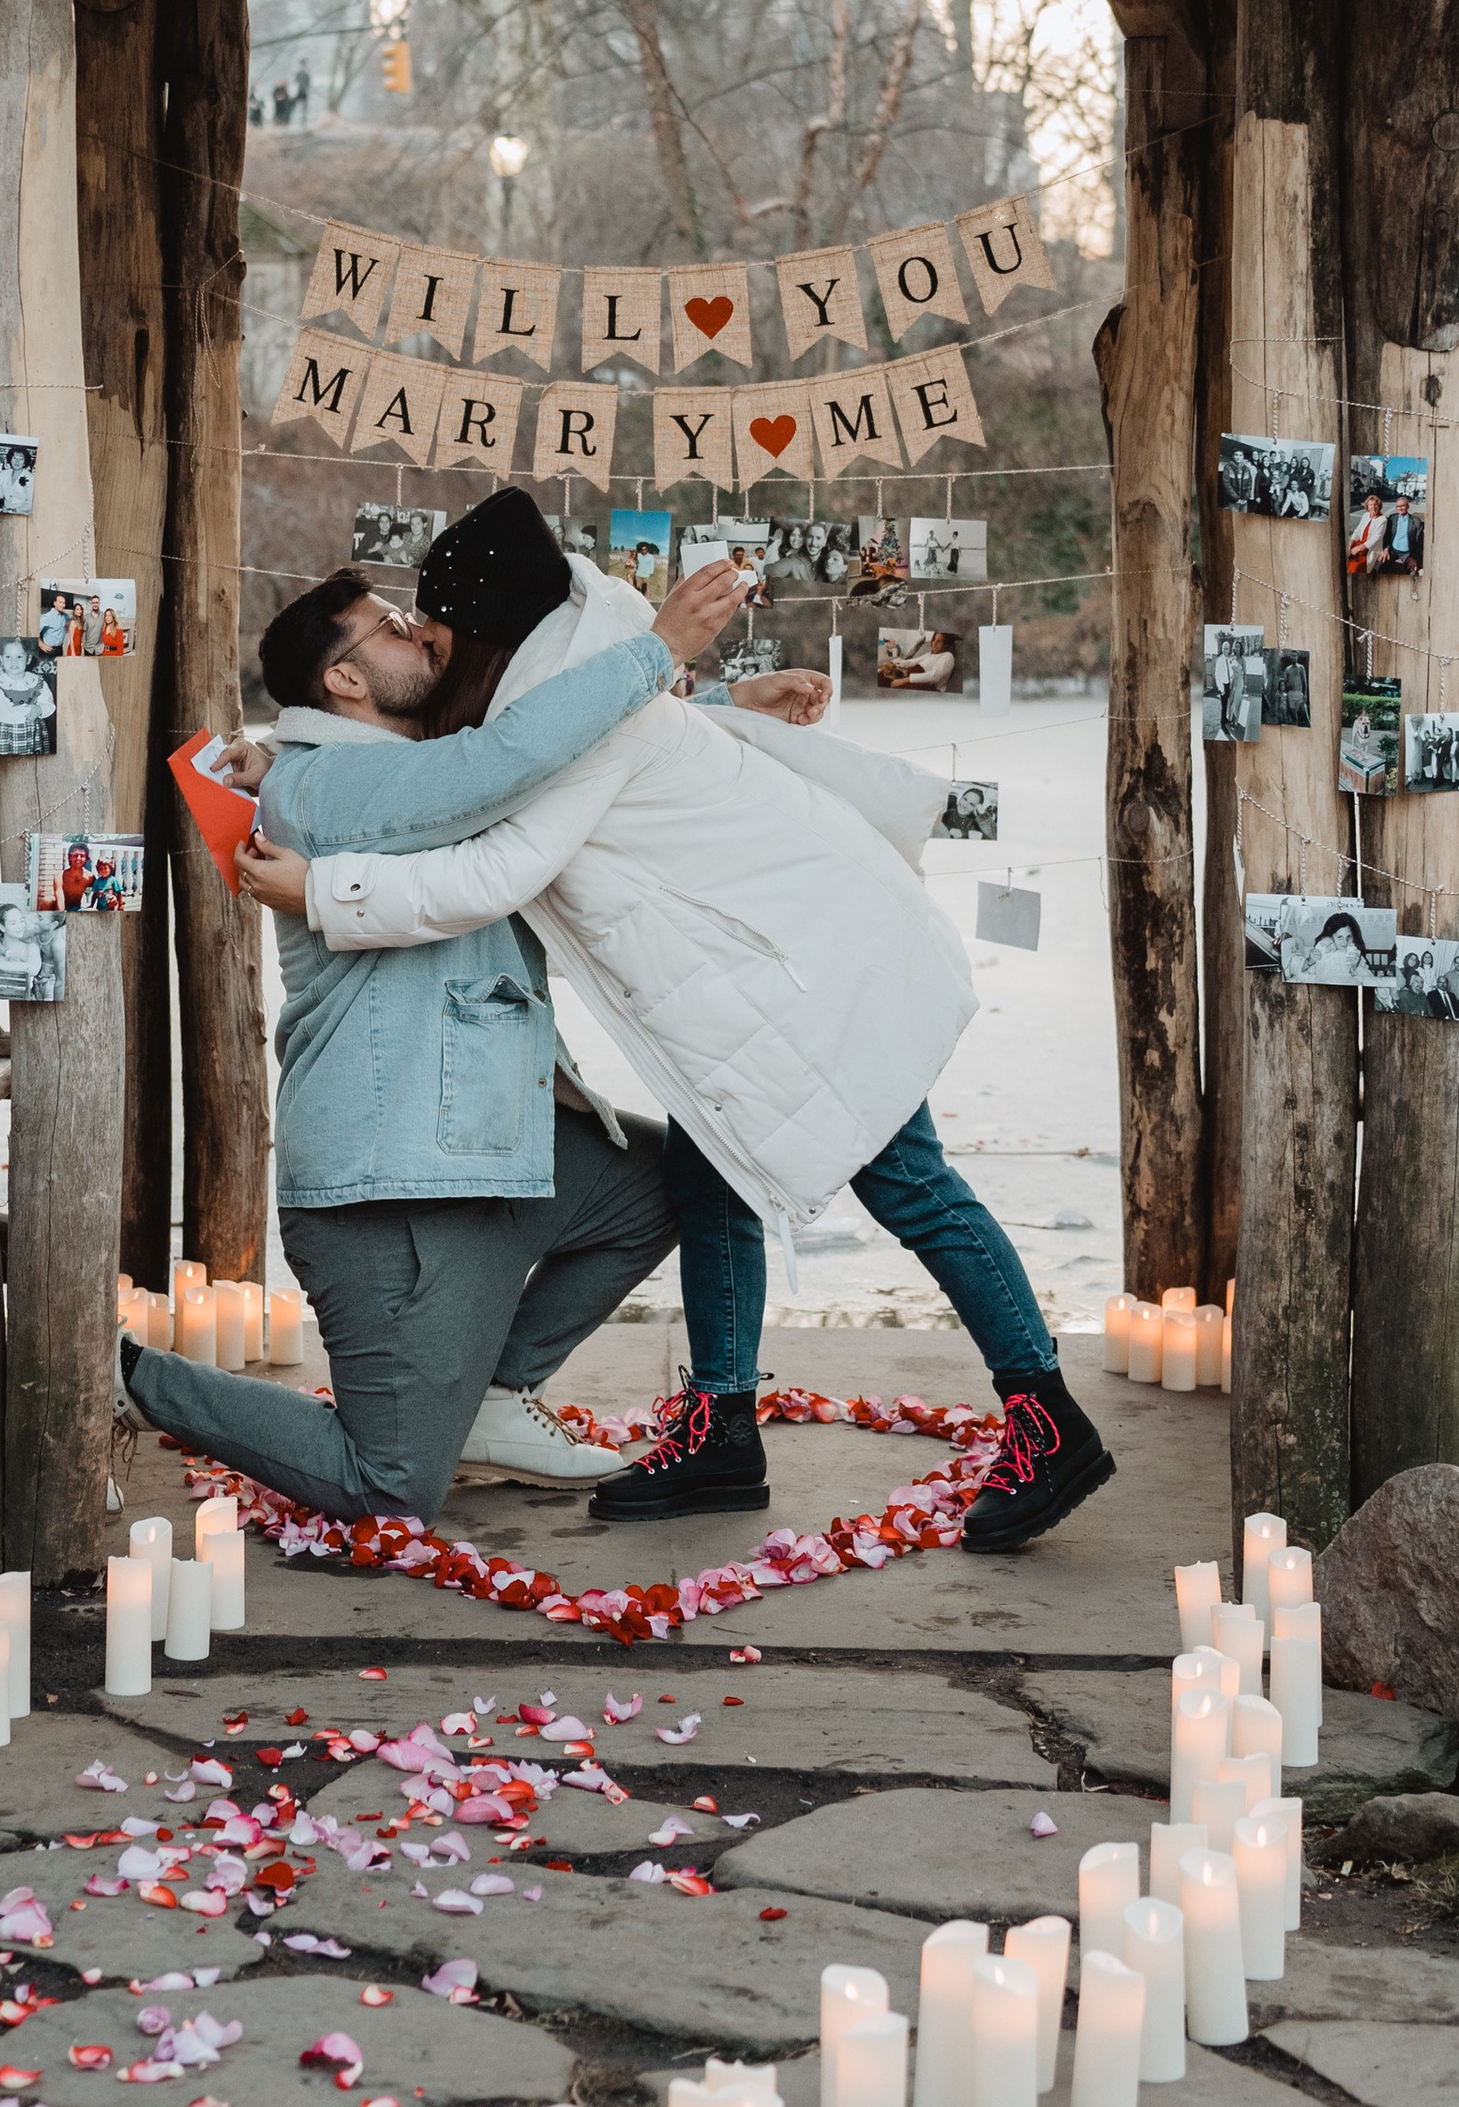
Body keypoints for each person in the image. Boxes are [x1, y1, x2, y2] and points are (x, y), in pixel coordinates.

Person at [230, 488, 1117, 1552]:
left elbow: (495, 863)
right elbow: (449, 760)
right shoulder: (579, 676)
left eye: (436, 624)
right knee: (712, 1175)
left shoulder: (577, 708)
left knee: (908, 1180)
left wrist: (320, 896)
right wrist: (278, 756)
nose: (423, 638)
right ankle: (724, 1428)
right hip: (746, 973)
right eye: (398, 628)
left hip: (799, 972)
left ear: (491, 631)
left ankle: (1046, 1419)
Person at [115, 551, 756, 1521]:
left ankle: (498, 1396)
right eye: (391, 626)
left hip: (499, 1147)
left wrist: (740, 704)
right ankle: (127, 1374)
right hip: (392, 1186)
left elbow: (542, 748)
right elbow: (498, 765)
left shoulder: (359, 771)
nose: (419, 631)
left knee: (679, 1186)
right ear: (343, 677)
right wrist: (654, 649)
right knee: (386, 1484)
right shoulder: (325, 788)